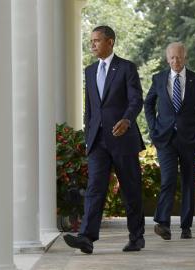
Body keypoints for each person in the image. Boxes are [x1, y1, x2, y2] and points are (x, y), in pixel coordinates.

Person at [63, 26, 145, 254]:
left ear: (110, 42)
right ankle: (86, 238)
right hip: (98, 141)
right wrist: (89, 136)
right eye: (91, 41)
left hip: (123, 139)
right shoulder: (89, 71)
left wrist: (127, 120)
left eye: (97, 41)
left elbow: (136, 100)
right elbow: (90, 108)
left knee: (131, 190)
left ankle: (137, 237)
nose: (92, 45)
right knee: (94, 189)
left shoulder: (126, 67)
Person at [144, 42, 195, 240]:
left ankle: (186, 227)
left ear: (185, 58)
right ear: (167, 59)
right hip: (165, 139)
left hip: (189, 139)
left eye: (179, 57)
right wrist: (153, 128)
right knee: (168, 179)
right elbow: (148, 104)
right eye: (172, 57)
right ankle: (163, 223)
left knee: (188, 182)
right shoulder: (158, 79)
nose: (175, 61)